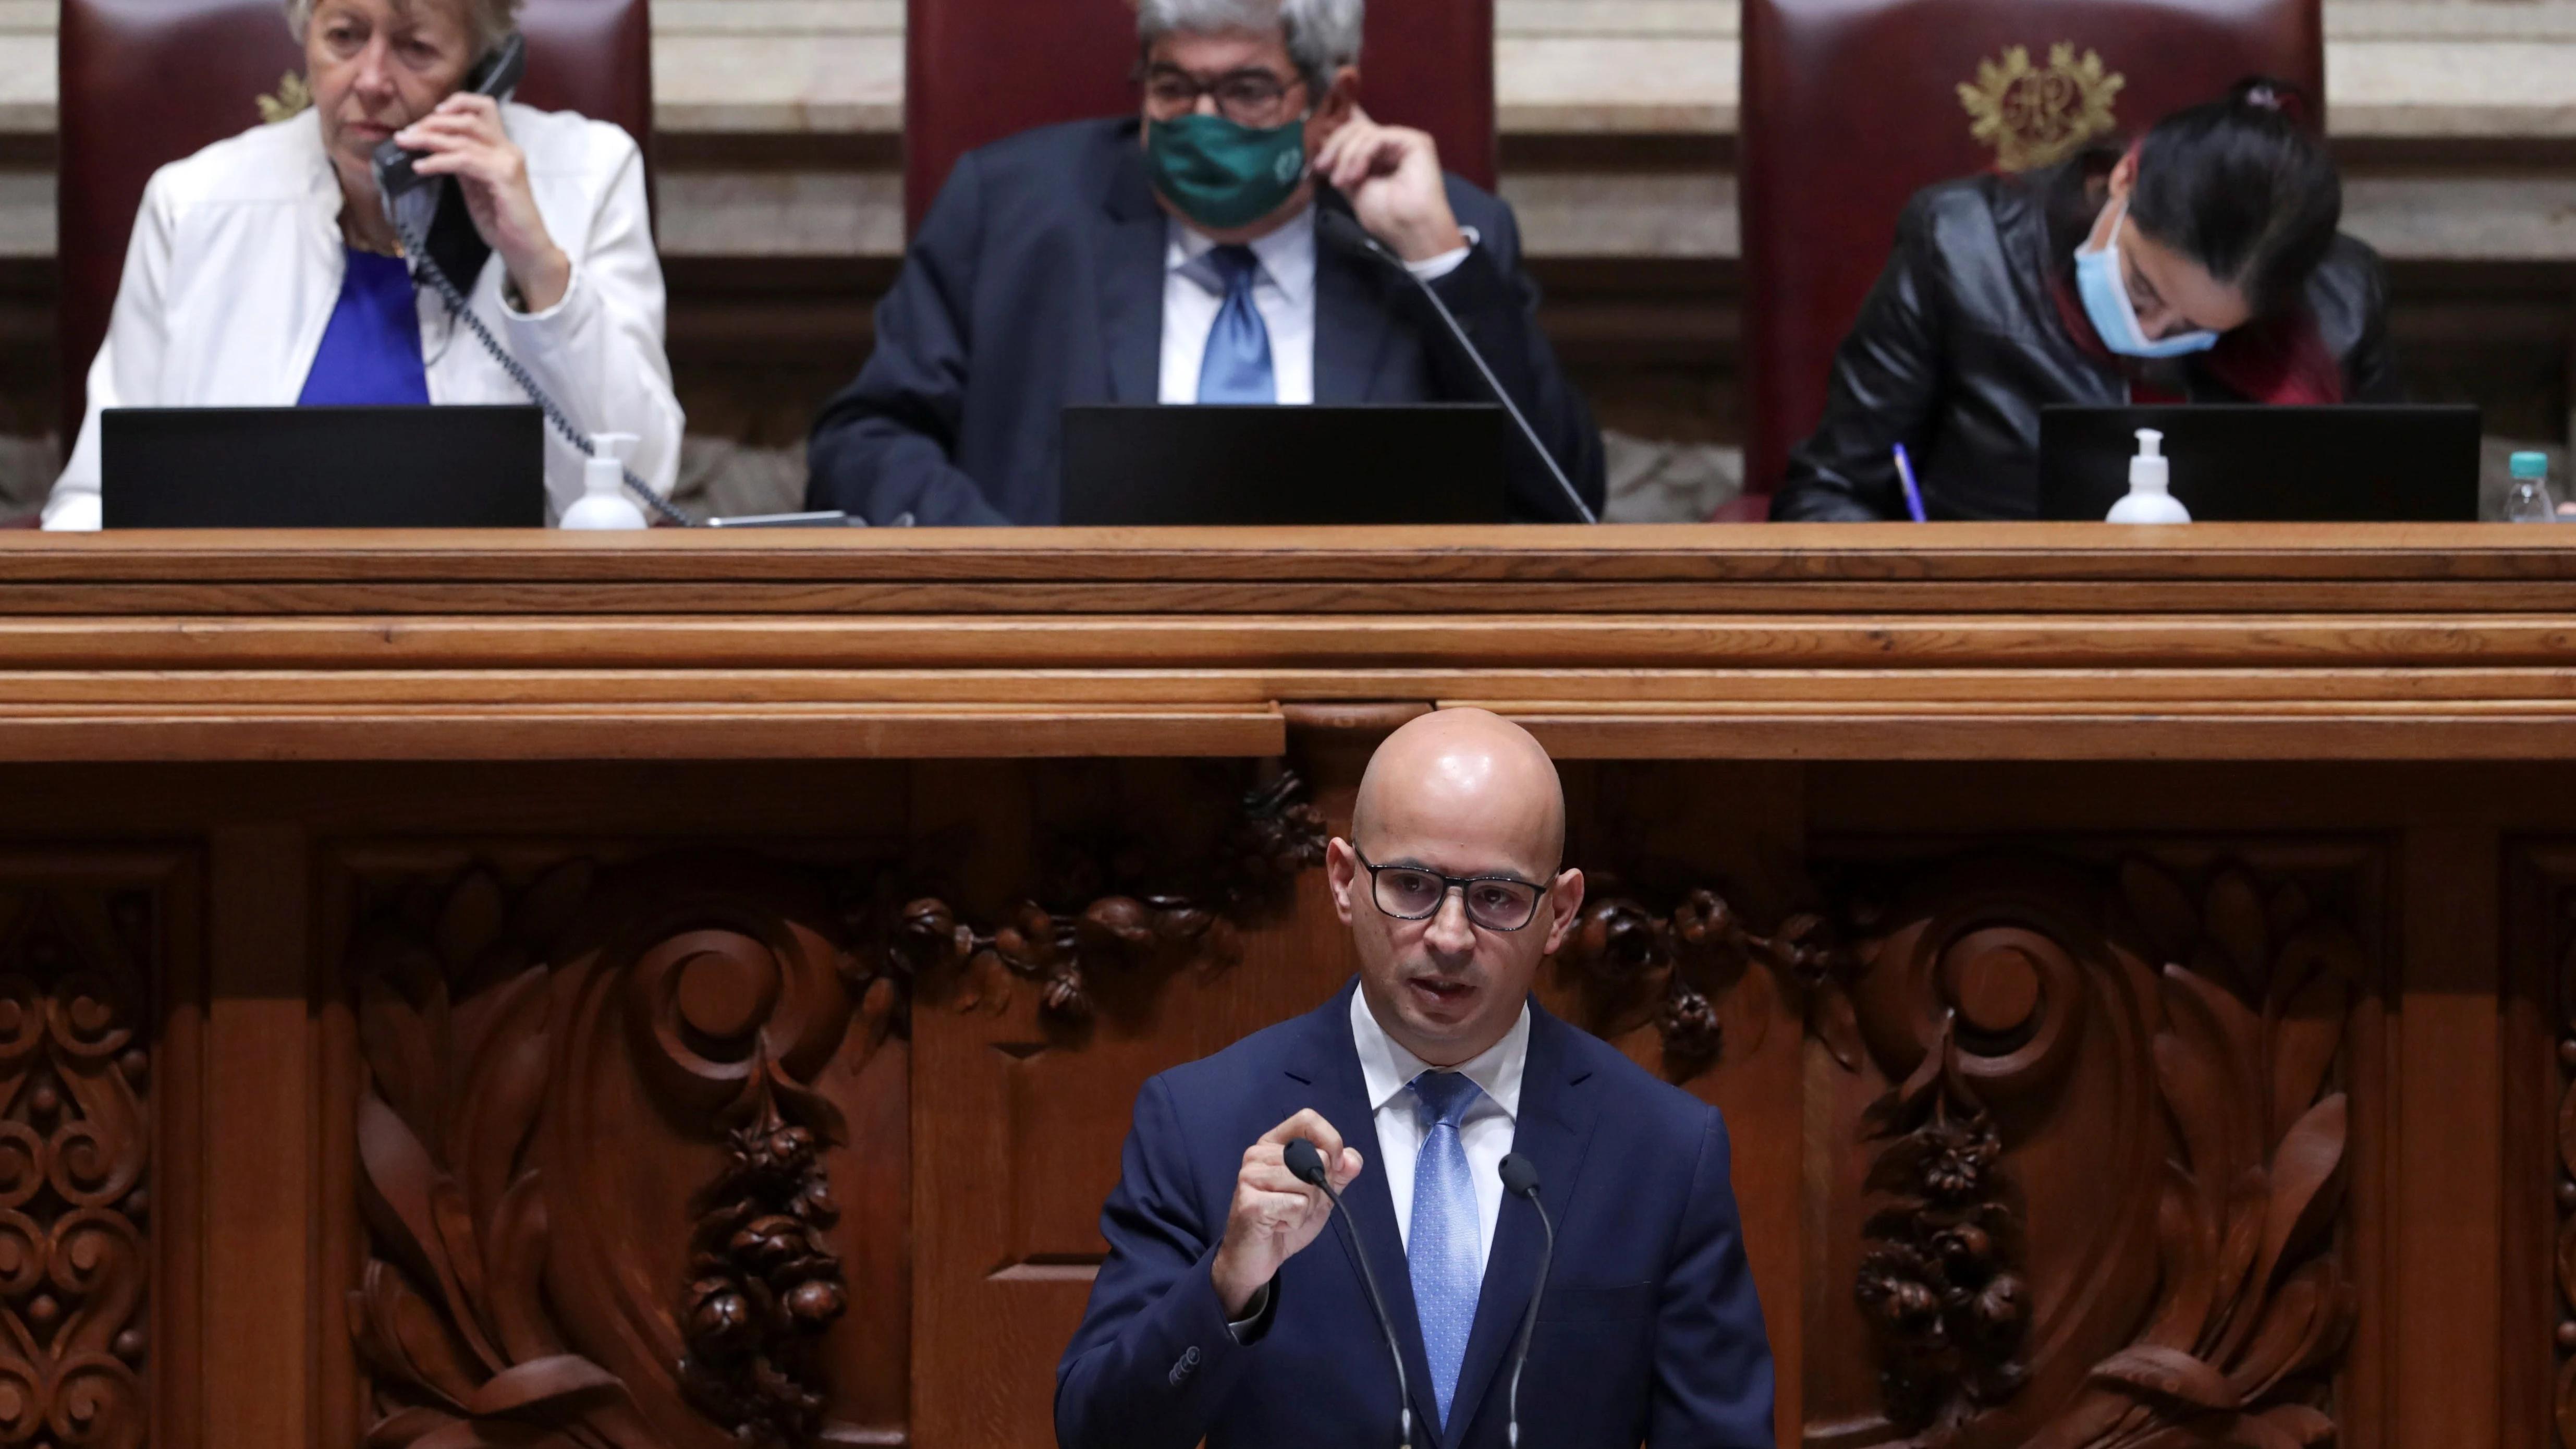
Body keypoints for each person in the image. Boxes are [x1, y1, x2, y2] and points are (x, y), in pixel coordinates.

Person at [1056, 709, 1774, 1449]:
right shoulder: (1201, 1120)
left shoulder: (1663, 1148)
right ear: (1342, 880)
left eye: (1497, 896)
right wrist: (1226, 1284)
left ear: (1559, 913)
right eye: (1410, 884)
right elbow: (1097, 1433)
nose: (1450, 936)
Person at [804, 0, 1605, 527]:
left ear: (1331, 101)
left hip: (1362, 686)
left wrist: (1434, 261)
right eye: (1173, 86)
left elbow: (1567, 504)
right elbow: (864, 441)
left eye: (1247, 90)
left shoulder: (1435, 231)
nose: (1202, 121)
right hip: (1064, 674)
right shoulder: (1010, 212)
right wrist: (1006, 570)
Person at [41, 0, 682, 530]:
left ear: (484, 68)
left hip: (498, 644)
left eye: (416, 49)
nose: (371, 81)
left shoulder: (588, 177)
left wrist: (539, 267)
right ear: (306, 34)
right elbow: (95, 501)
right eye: (344, 37)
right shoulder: (196, 205)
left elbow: (641, 492)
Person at [1772, 77, 2401, 522]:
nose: (2151, 333)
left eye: (2198, 329)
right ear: (2126, 176)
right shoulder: (1963, 248)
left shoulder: (2339, 305)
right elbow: (1829, 492)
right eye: (2143, 289)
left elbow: (2393, 524)